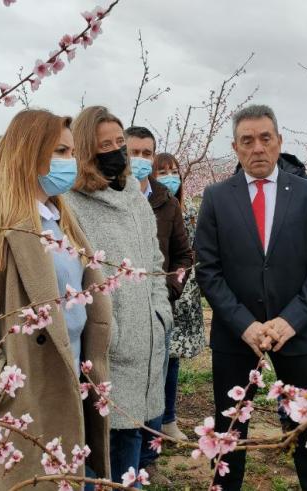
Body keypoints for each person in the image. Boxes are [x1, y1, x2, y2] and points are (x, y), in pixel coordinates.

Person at [0, 109, 112, 487]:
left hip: (71, 372)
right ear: (29, 152)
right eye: (60, 151)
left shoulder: (61, 217)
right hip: (28, 389)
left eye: (72, 152)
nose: (70, 162)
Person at [195, 104, 307, 491]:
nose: (257, 147)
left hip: (298, 332)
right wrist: (244, 324)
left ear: (278, 142)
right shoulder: (216, 197)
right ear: (235, 148)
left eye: (265, 138)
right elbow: (208, 270)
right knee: (230, 432)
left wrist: (291, 320)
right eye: (247, 140)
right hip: (236, 336)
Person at [64, 106, 173, 485]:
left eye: (119, 143)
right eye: (103, 145)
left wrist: (161, 314)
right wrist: (112, 329)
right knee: (103, 454)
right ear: (85, 150)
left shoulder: (135, 198)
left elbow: (156, 261)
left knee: (133, 449)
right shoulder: (72, 204)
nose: (115, 151)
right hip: (107, 351)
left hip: (147, 345)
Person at [124, 127, 193, 481]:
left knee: (155, 385)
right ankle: (122, 461)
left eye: (146, 153)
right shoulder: (111, 196)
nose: (140, 159)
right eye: (133, 151)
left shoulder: (166, 202)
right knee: (123, 388)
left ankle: (149, 461)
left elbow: (183, 255)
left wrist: (168, 294)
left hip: (157, 312)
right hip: (120, 313)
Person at [154, 152, 206, 441]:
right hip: (162, 292)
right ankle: (159, 418)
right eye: (162, 172)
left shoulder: (190, 212)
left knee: (172, 360)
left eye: (174, 171)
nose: (170, 177)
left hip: (184, 295)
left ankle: (168, 418)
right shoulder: (151, 208)